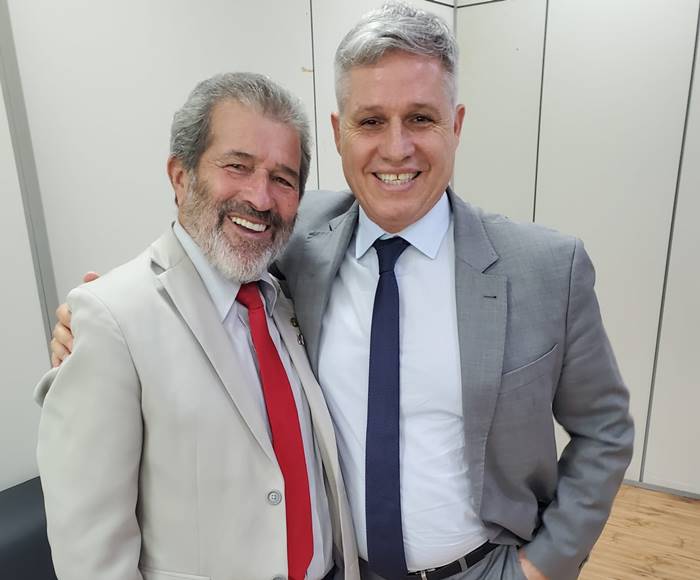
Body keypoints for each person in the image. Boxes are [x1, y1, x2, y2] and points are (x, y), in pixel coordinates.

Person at [49, 3, 634, 580]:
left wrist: (543, 566)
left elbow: (605, 429)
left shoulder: (545, 269)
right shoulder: (294, 237)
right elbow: (204, 241)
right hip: (345, 568)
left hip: (487, 568)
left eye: (421, 118)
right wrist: (100, 320)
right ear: (338, 132)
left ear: (456, 126)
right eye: (371, 121)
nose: (396, 148)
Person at [36, 72, 359, 580]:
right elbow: (90, 558)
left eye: (283, 178)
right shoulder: (111, 317)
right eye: (237, 166)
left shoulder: (285, 296)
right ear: (180, 175)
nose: (260, 198)